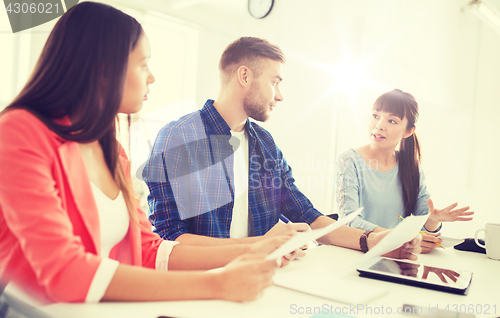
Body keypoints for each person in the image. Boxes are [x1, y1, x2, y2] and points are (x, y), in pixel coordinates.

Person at [0, 2, 290, 304]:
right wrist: (216, 284)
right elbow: (65, 271)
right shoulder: (19, 131)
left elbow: (148, 249)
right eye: (143, 64)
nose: (152, 78)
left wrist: (256, 247)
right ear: (103, 68)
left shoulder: (112, 150)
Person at [144, 37, 422, 258]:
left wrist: (371, 240)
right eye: (274, 82)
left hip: (261, 279)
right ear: (244, 76)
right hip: (204, 287)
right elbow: (170, 239)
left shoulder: (264, 144)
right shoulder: (179, 138)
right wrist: (260, 246)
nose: (280, 95)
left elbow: (305, 214)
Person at [334, 89, 474, 253]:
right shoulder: (349, 160)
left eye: (392, 121)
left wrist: (432, 220)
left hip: (396, 256)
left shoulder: (411, 167)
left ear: (408, 131)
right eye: (375, 116)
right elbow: (349, 221)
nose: (379, 125)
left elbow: (425, 225)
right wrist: (399, 238)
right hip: (355, 252)